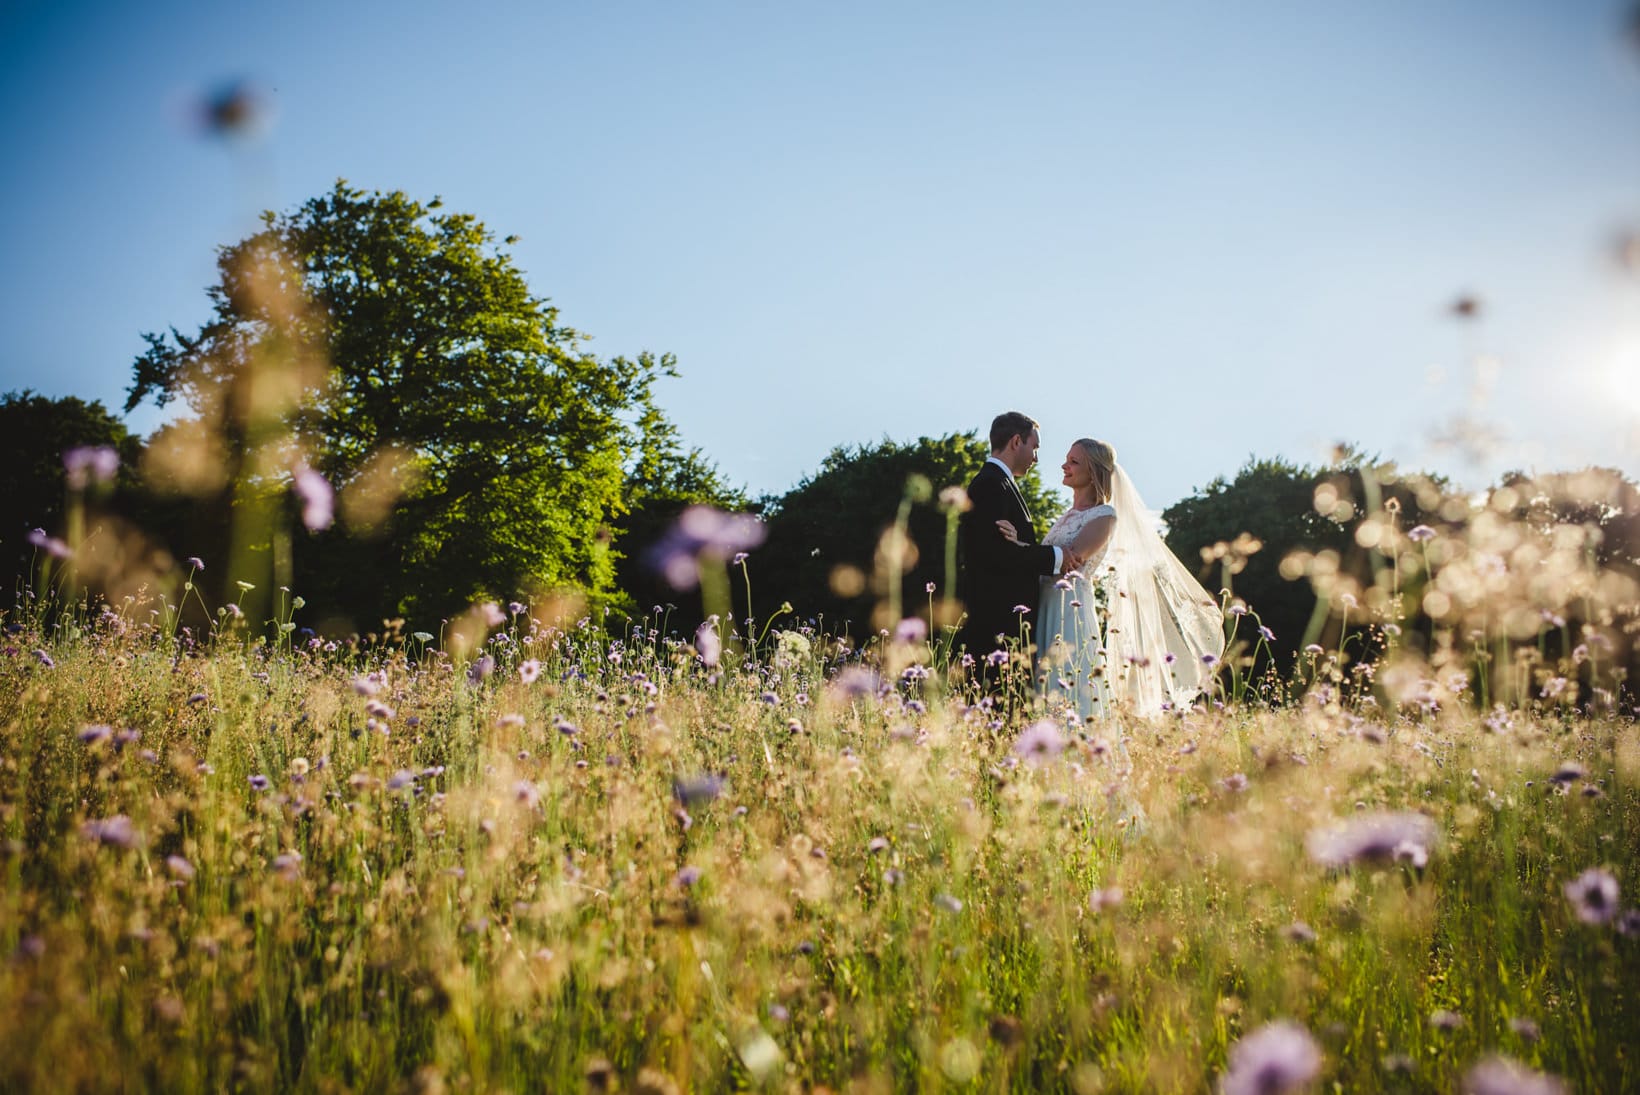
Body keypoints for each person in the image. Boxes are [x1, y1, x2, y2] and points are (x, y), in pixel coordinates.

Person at [1000, 438, 1224, 718]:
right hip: (1046, 605)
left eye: (1074, 462)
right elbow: (1047, 557)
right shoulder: (1067, 516)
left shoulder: (1105, 516)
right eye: (1067, 459)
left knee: (1068, 683)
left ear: (1093, 471)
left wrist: (1018, 546)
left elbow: (1072, 559)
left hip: (1070, 611)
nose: (1064, 465)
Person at [955, 412, 1079, 683]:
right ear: (1015, 442)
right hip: (996, 624)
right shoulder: (990, 485)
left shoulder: (999, 483)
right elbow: (995, 553)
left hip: (1005, 624)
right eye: (1034, 448)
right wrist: (1056, 556)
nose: (1035, 458)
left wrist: (1021, 544)